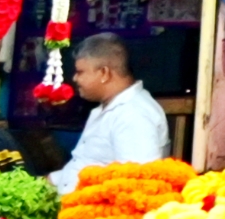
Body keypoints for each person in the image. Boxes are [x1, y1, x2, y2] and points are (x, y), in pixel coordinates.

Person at [57, 32, 170, 178]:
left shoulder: (133, 115)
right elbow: (83, 166)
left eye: (80, 72)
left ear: (104, 73)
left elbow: (135, 182)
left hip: (91, 200)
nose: (75, 78)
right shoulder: (106, 109)